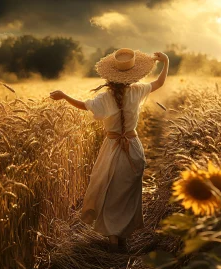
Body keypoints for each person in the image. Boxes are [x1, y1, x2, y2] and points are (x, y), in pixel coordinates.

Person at [49, 48, 169, 252]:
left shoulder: (105, 98)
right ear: (133, 75)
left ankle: (113, 237)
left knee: (110, 192)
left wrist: (64, 96)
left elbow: (83, 105)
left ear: (110, 76)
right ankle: (124, 236)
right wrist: (165, 62)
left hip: (112, 149)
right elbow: (159, 83)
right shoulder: (138, 91)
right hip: (133, 149)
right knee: (129, 193)